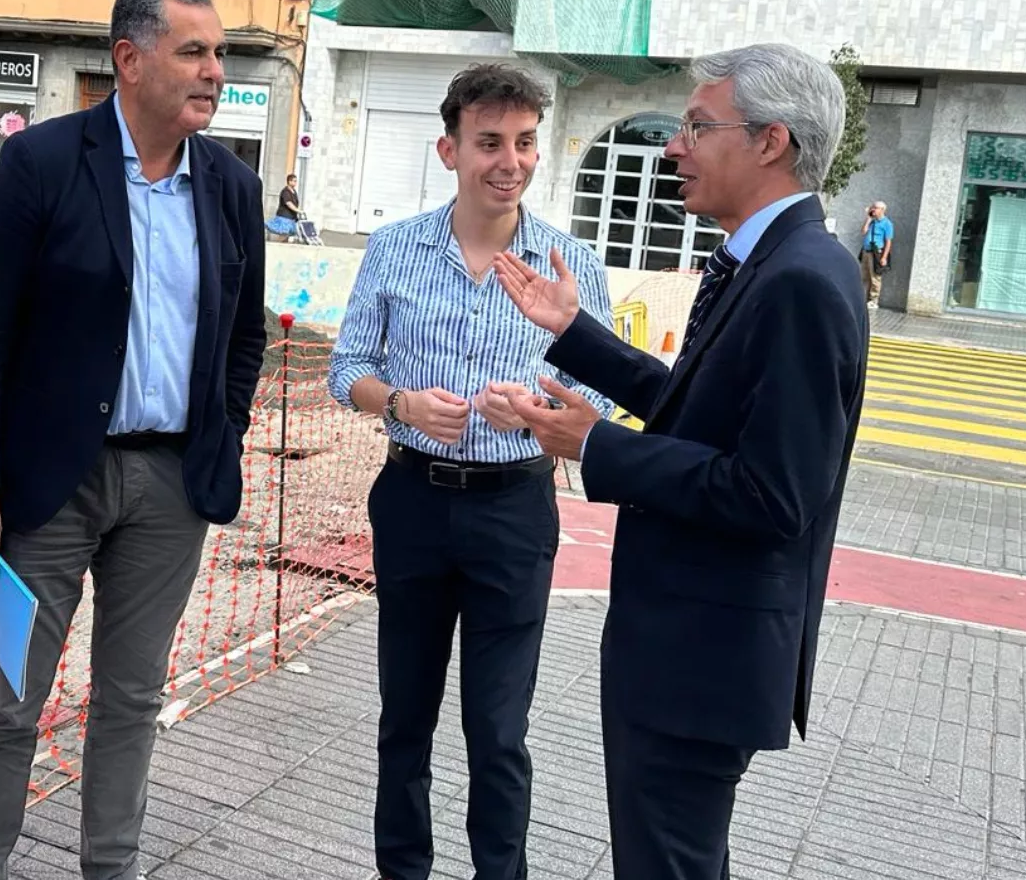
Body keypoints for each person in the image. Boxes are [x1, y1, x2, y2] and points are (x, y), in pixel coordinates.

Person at [492, 43, 867, 880]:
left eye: (699, 126)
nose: (674, 146)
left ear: (770, 141)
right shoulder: (769, 261)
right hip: (690, 647)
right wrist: (576, 334)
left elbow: (772, 495)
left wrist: (595, 446)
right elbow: (704, 410)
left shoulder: (801, 279)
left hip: (705, 657)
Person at [0, 0, 267, 880]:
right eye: (193, 52)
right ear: (129, 59)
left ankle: (110, 869)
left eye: (219, 53)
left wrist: (223, 436)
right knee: (8, 700)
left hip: (170, 488)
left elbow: (243, 338)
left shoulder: (233, 187)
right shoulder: (43, 163)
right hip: (44, 486)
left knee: (132, 697)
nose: (214, 72)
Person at [327, 64, 613, 880]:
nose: (510, 161)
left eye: (525, 143)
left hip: (514, 512)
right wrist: (404, 403)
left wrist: (537, 412)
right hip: (413, 501)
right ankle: (403, 870)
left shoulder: (568, 264)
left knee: (498, 732)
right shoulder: (394, 248)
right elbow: (346, 368)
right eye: (489, 142)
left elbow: (597, 390)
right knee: (403, 719)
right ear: (449, 148)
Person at [860, 200, 893, 307]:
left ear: (882, 210)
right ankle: (864, 298)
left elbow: (888, 241)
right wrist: (868, 220)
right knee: (865, 276)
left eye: (875, 207)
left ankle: (874, 300)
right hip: (866, 251)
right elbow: (863, 232)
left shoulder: (887, 224)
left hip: (876, 253)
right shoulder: (872, 221)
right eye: (872, 207)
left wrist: (884, 257)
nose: (873, 209)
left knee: (875, 277)